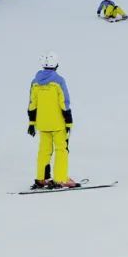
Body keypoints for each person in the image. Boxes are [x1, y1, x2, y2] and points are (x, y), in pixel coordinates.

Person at [27, 52, 80, 189]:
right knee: (62, 150)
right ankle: (61, 178)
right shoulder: (59, 81)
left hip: (42, 123)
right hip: (58, 124)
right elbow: (64, 102)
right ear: (56, 64)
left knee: (44, 151)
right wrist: (69, 122)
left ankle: (41, 178)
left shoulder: (35, 82)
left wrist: (31, 123)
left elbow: (32, 104)